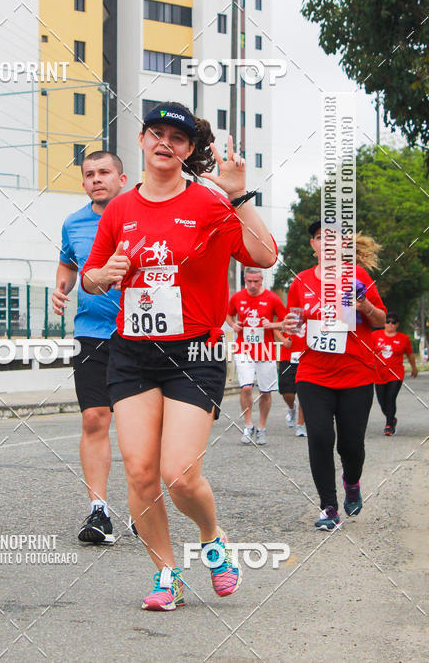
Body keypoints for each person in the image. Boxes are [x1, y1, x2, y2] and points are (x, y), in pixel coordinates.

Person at [81, 101, 277, 611]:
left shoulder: (210, 204)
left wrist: (239, 197)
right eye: (156, 133)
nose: (164, 142)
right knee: (140, 471)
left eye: (178, 137)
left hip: (195, 351)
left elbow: (264, 255)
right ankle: (166, 575)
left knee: (180, 474)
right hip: (132, 352)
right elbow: (91, 276)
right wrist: (102, 275)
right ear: (142, 140)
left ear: (189, 150)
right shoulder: (120, 209)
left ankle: (214, 539)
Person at [287, 221, 386, 531]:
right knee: (319, 437)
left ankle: (352, 482)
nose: (326, 243)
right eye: (320, 237)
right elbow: (294, 326)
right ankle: (328, 507)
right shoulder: (300, 282)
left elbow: (380, 320)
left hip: (356, 372)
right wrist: (290, 326)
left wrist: (365, 306)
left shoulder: (358, 276)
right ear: (313, 245)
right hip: (313, 373)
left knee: (351, 445)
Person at [52, 150, 127, 544]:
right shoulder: (74, 223)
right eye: (89, 174)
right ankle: (99, 511)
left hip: (141, 334)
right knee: (94, 418)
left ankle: (148, 504)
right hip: (92, 332)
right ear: (83, 183)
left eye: (104, 172)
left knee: (139, 427)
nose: (96, 179)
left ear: (122, 179)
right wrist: (61, 286)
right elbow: (68, 263)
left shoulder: (141, 214)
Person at [226, 269, 287, 445]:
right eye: (249, 281)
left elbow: (285, 321)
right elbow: (228, 314)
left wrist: (272, 325)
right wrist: (233, 325)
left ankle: (261, 427)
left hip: (265, 350)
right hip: (243, 347)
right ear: (245, 280)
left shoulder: (272, 298)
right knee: (246, 387)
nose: (252, 285)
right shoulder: (237, 297)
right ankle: (248, 425)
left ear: (262, 280)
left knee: (265, 392)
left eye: (256, 282)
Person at [372, 312, 417, 435]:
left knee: (391, 398)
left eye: (393, 322)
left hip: (395, 374)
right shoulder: (375, 335)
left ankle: (389, 425)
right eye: (387, 322)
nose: (390, 324)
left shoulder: (403, 338)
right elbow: (368, 351)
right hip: (379, 374)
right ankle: (392, 418)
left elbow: (410, 354)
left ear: (397, 324)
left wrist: (414, 368)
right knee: (382, 401)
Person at [275, 319, 307, 437]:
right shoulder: (286, 313)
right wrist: (283, 340)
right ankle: (292, 407)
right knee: (287, 392)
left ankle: (300, 425)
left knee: (304, 393)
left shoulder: (313, 311)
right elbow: (276, 328)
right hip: (288, 356)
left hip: (307, 356)